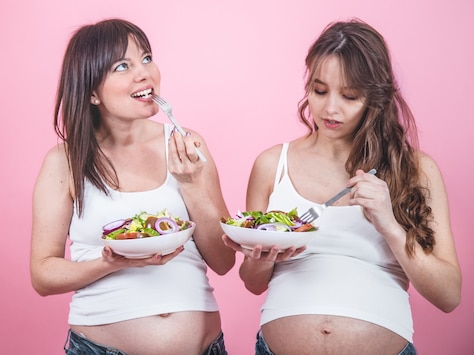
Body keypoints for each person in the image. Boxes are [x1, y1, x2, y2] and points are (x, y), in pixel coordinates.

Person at [222, 19, 461, 355]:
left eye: (349, 96)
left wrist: (390, 225)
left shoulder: (416, 170)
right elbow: (253, 282)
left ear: (375, 98)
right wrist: (262, 257)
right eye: (319, 90)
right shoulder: (271, 165)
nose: (330, 108)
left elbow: (449, 296)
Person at [30, 18, 235, 355]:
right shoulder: (64, 162)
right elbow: (42, 274)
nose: (144, 73)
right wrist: (112, 262)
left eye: (147, 58)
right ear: (92, 92)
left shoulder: (187, 145)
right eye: (122, 66)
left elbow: (224, 260)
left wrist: (192, 185)